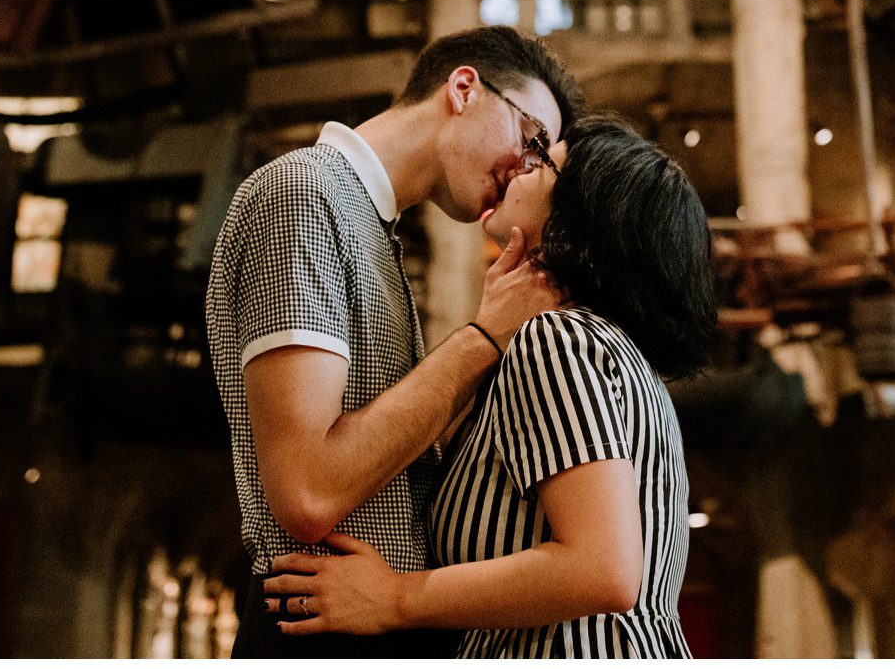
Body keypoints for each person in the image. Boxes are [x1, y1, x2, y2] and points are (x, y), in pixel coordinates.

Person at [261, 114, 718, 658]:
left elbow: (604, 569)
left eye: (543, 162)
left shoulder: (558, 340)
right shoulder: (612, 351)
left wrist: (393, 598)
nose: (519, 169)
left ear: (583, 220)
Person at [205, 25, 584, 658]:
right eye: (532, 142)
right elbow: (308, 491)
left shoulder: (368, 224)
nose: (525, 172)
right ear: (464, 88)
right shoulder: (304, 195)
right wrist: (485, 336)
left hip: (356, 618)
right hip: (320, 626)